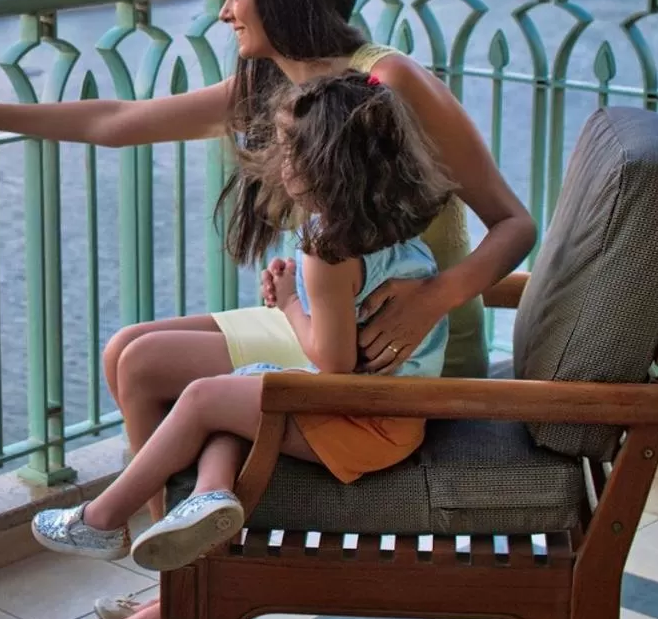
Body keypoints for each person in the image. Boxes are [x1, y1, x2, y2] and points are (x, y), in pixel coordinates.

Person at [0, 0, 535, 619]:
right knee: (127, 350)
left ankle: (188, 601)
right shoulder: (275, 86)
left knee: (147, 366)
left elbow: (514, 223)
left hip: (408, 353)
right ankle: (189, 582)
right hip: (334, 326)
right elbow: (117, 120)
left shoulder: (387, 82)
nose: (225, 12)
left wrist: (434, 298)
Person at [30, 72, 451, 584]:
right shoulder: (392, 227)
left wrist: (291, 303)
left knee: (204, 397)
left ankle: (102, 519)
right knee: (234, 394)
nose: (280, 163)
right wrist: (302, 297)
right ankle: (209, 494)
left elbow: (334, 363)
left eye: (289, 152)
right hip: (393, 416)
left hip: (362, 424)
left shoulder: (329, 251)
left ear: (322, 165)